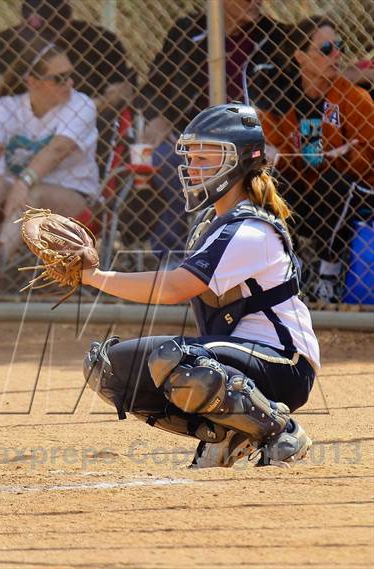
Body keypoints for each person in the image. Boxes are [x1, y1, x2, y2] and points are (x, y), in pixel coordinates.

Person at [81, 103, 319, 469]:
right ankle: (224, 432)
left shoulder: (250, 229)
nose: (193, 168)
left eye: (207, 158)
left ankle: (281, 429)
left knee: (179, 360)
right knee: (110, 368)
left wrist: (94, 276)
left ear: (240, 161)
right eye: (192, 158)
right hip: (243, 358)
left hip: (286, 363)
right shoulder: (214, 222)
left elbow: (173, 288)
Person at [135, 0, 290, 261]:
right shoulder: (186, 31)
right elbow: (153, 88)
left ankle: (241, 254)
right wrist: (157, 116)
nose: (257, 2)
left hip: (250, 138)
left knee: (253, 168)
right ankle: (173, 256)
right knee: (165, 159)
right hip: (191, 136)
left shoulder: (276, 36)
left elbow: (289, 96)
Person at [0, 41, 98, 293]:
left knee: (33, 195)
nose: (70, 83)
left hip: (72, 194)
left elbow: (57, 149)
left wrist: (24, 182)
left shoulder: (81, 105)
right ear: (32, 81)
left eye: (72, 76)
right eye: (60, 78)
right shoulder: (5, 107)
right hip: (11, 190)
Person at [260, 17, 374, 303]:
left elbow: (368, 157)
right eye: (326, 49)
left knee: (333, 180)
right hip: (303, 190)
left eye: (340, 47)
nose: (337, 55)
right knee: (266, 180)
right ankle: (292, 265)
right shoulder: (280, 101)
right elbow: (270, 149)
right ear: (300, 56)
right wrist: (271, 153)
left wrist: (350, 154)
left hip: (353, 194)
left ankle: (328, 273)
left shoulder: (353, 97)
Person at [0, 0, 134, 172]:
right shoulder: (6, 42)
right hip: (18, 140)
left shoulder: (99, 40)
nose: (42, 42)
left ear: (68, 21)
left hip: (76, 139)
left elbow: (124, 90)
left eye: (49, 34)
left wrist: (89, 107)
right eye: (32, 33)